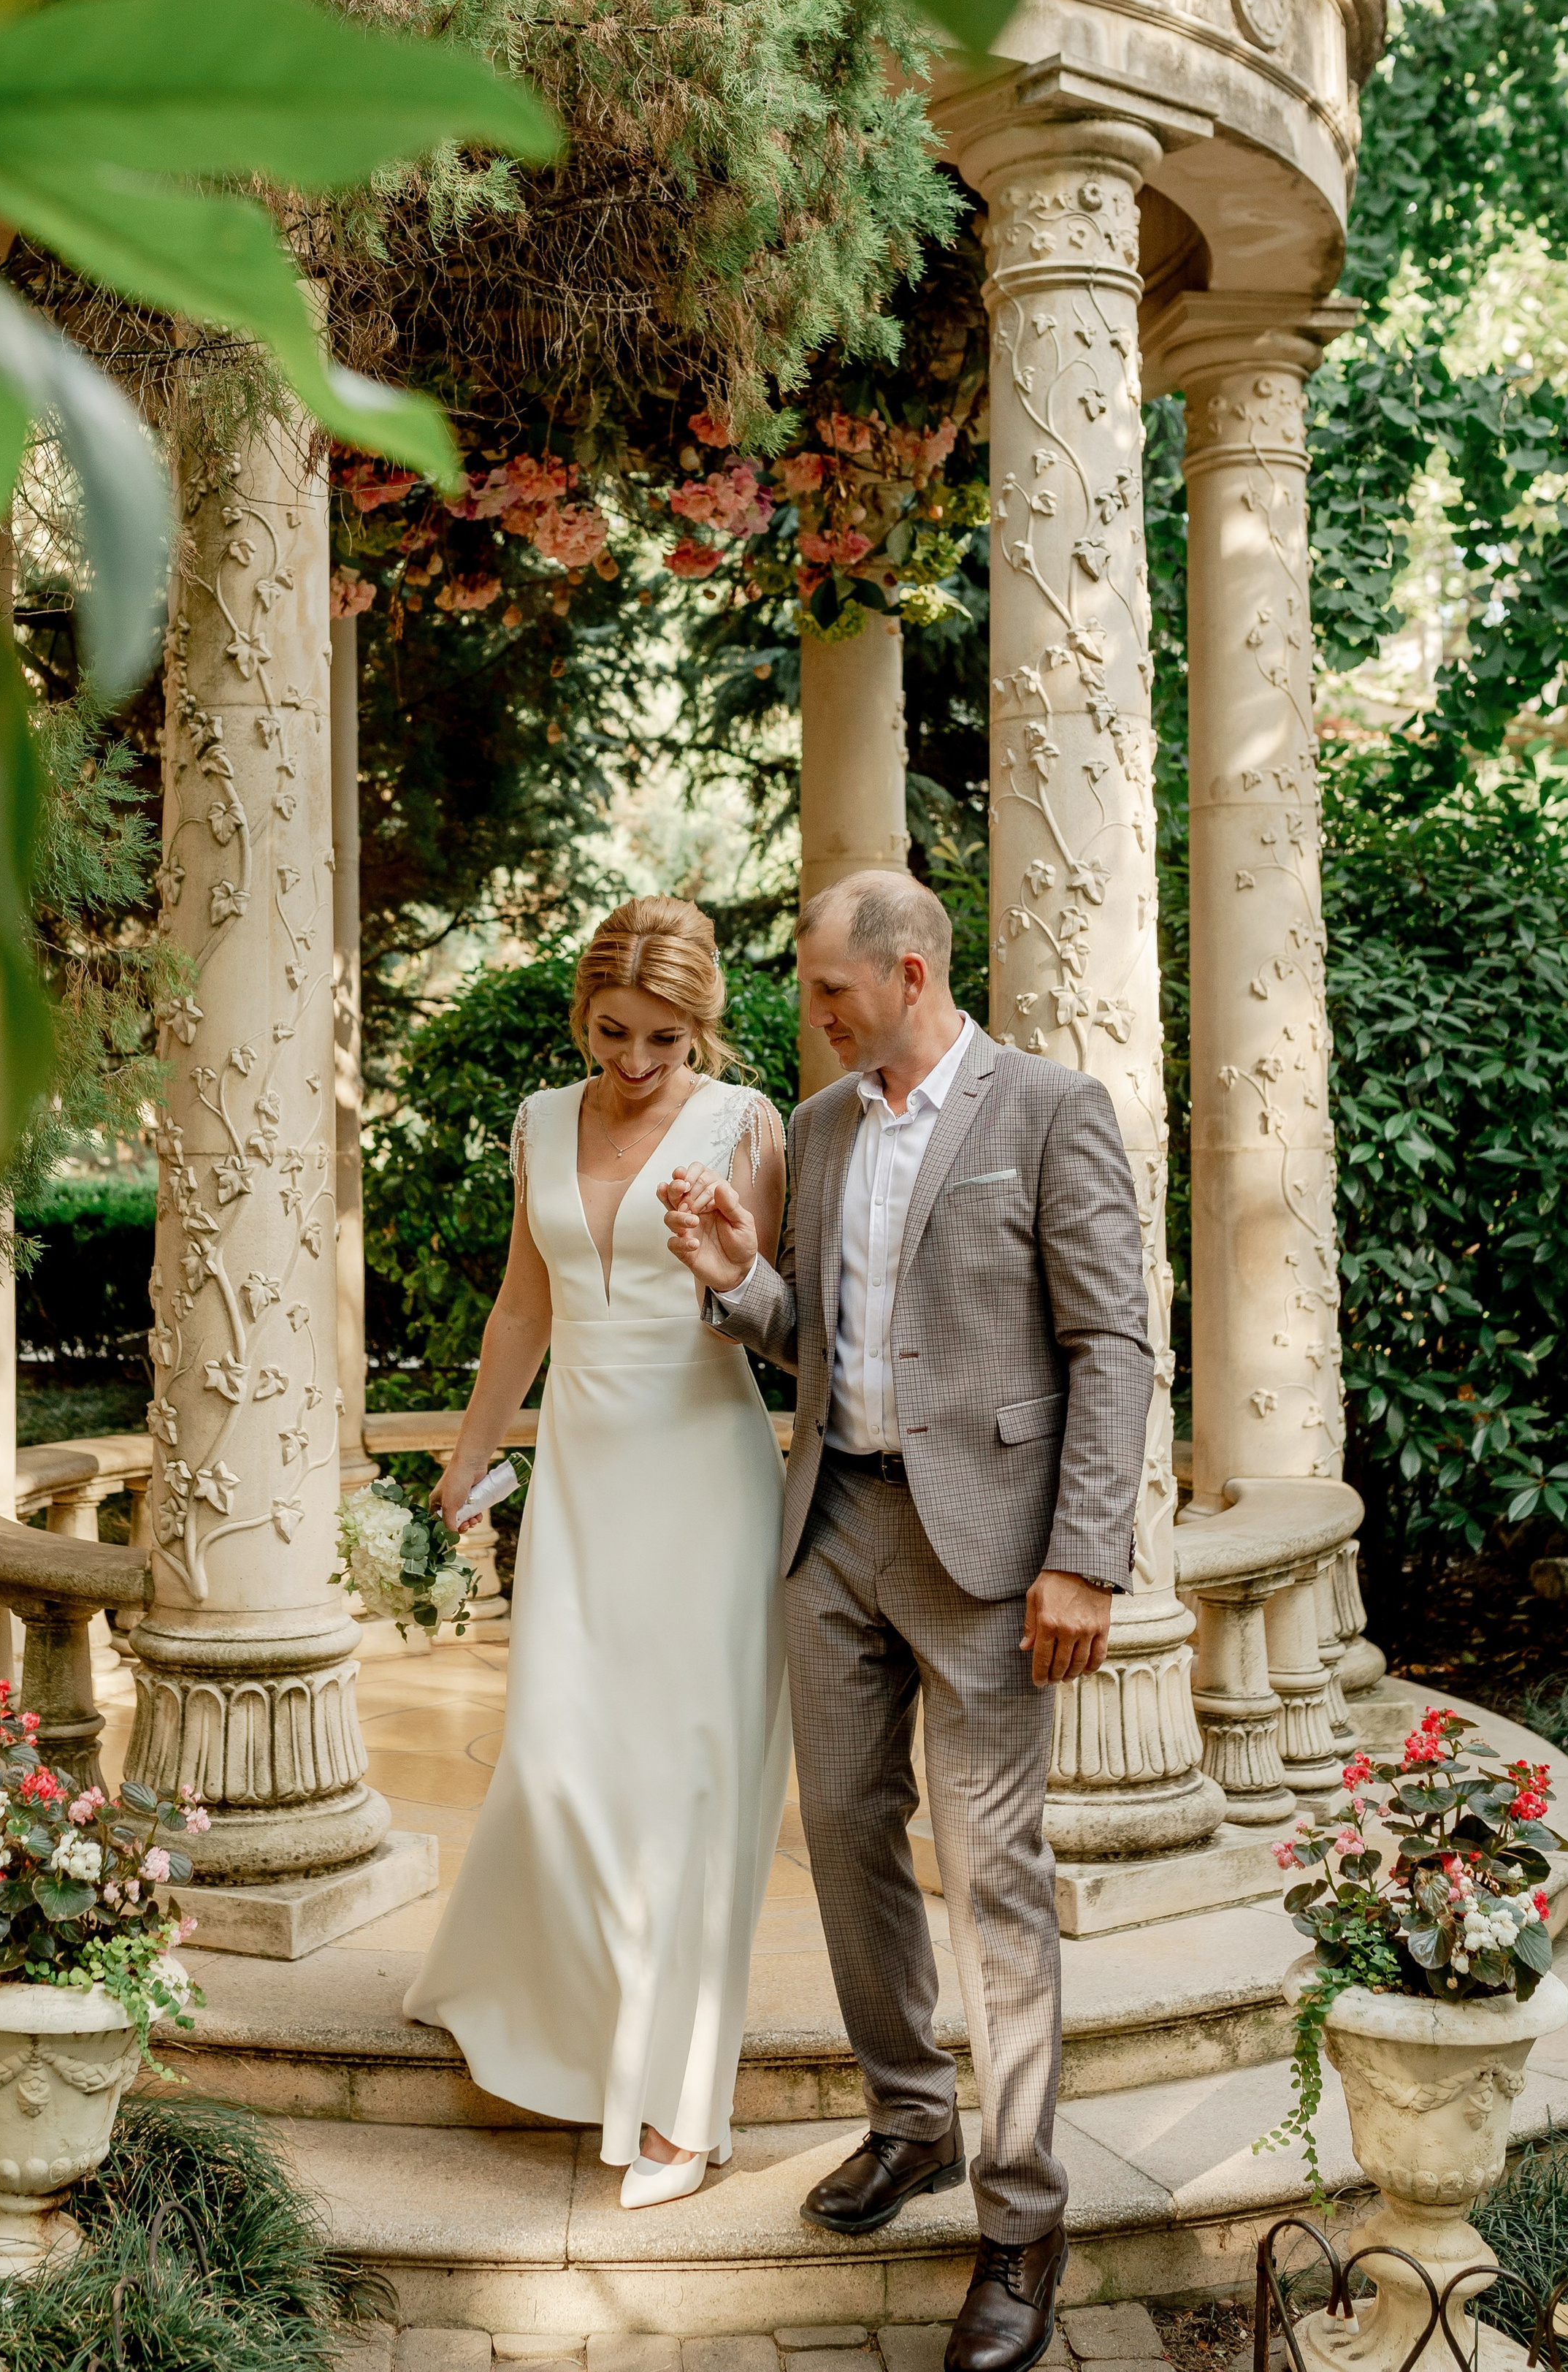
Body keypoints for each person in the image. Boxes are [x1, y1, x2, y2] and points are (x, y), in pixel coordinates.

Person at [661, 872, 1151, 2372]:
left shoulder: (1049, 1111)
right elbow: (811, 1333)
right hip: (833, 1530)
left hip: (990, 1555)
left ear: (910, 973)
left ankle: (1023, 2218)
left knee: (993, 1876)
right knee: (844, 1834)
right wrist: (736, 1282)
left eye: (829, 989)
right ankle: (911, 2120)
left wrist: (1083, 1557)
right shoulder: (818, 1129)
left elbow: (1111, 1341)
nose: (809, 1013)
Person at [405, 896, 791, 2212]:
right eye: (614, 1031)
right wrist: (468, 1457)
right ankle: (530, 2003)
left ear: (702, 1031)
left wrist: (724, 1265)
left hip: (705, 1479)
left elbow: (775, 1314)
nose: (634, 1061)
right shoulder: (538, 1121)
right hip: (579, 1478)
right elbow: (525, 1305)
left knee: (690, 1785)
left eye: (663, 1041)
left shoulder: (746, 1126)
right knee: (556, 1758)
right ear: (584, 1013)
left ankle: (683, 2108)